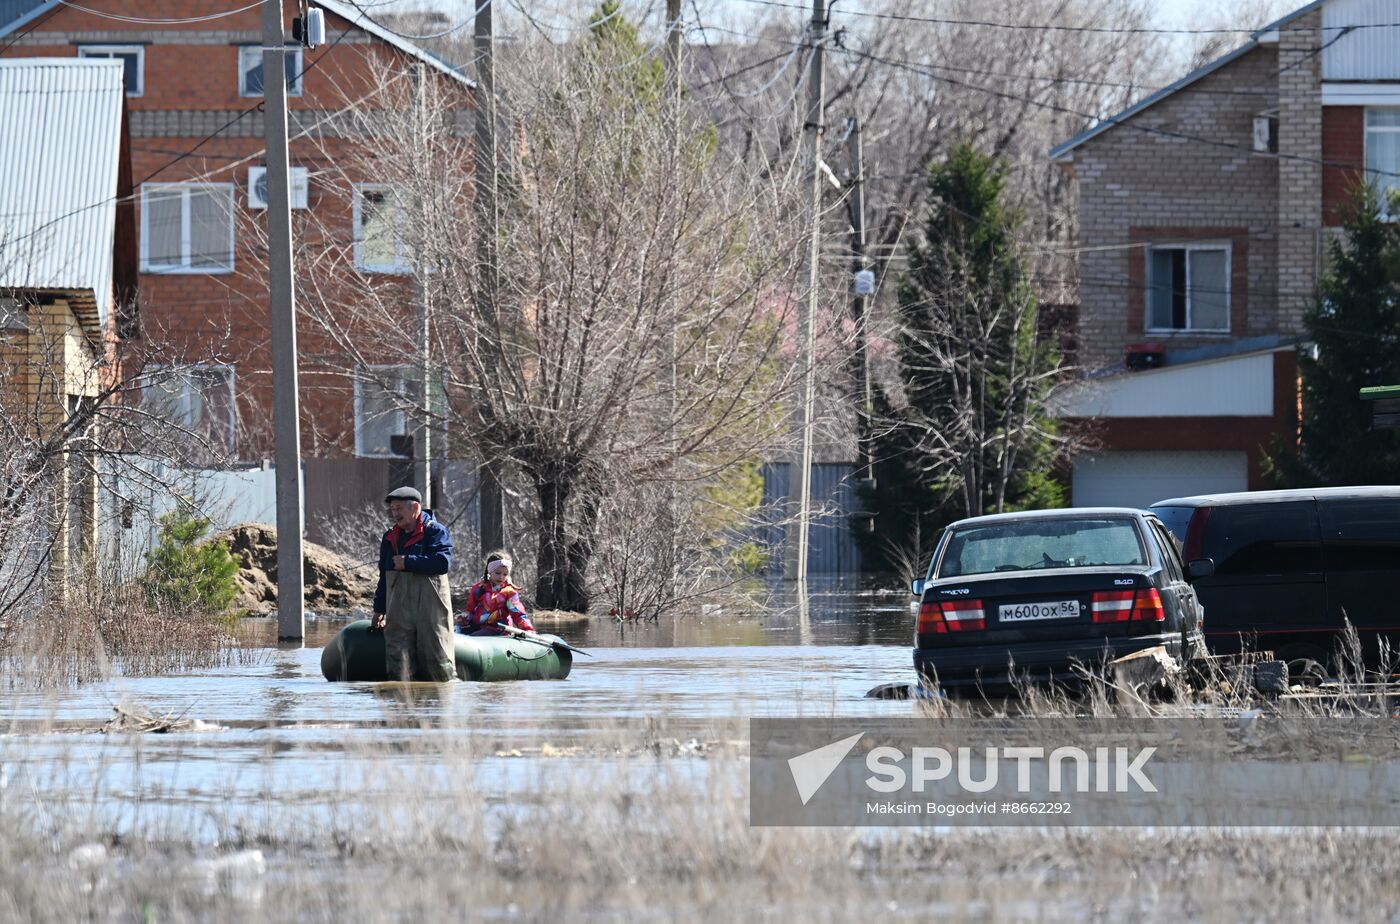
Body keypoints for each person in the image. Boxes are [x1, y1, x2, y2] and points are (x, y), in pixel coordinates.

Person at [371, 486, 456, 681]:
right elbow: (384, 576)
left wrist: (408, 562)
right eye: (393, 509)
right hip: (399, 610)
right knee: (397, 661)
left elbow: (443, 563)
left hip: (431, 611)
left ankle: (436, 706)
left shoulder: (436, 532)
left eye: (399, 508)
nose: (395, 514)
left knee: (437, 659)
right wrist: (379, 609)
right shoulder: (389, 538)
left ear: (415, 507)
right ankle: (399, 704)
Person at [457, 551, 535, 636]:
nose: (501, 577)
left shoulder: (509, 592)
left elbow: (517, 612)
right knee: (456, 630)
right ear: (490, 571)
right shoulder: (478, 589)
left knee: (475, 635)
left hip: (498, 630)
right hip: (477, 626)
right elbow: (470, 609)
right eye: (498, 573)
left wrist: (527, 629)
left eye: (505, 574)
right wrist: (464, 619)